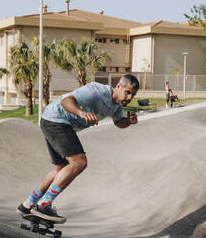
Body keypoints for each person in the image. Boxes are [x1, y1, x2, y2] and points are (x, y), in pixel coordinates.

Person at [17, 74, 140, 223]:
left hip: (52, 121)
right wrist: (82, 112)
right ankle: (44, 204)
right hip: (57, 120)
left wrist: (129, 121)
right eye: (128, 92)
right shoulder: (97, 91)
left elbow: (119, 122)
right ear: (119, 86)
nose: (130, 97)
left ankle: (27, 204)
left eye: (133, 95)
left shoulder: (116, 107)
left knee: (61, 170)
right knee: (79, 162)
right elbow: (66, 101)